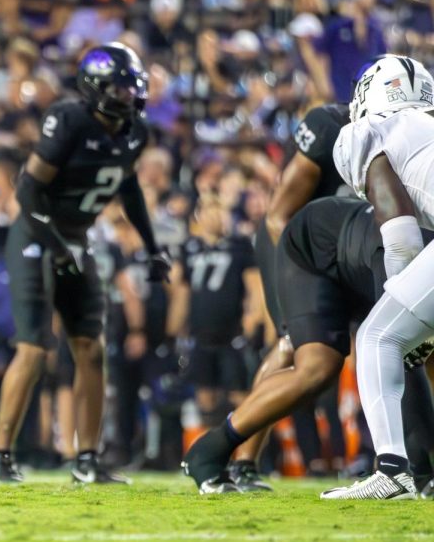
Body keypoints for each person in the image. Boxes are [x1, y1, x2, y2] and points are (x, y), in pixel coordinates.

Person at [0, 43, 169, 484]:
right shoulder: (68, 119)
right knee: (33, 348)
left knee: (90, 348)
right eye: (119, 89)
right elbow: (28, 192)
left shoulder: (134, 133)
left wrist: (151, 244)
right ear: (95, 88)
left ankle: (87, 457)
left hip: (75, 240)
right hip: (34, 237)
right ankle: (0, 456)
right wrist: (55, 244)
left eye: (132, 88)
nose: (128, 97)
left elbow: (129, 190)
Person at [183, 196, 434, 496]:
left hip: (358, 258)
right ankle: (213, 450)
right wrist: (423, 472)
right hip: (313, 249)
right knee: (317, 367)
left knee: (413, 347)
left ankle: (416, 472)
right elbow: (401, 354)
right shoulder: (407, 253)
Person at [322, 54, 434, 499]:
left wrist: (415, 335)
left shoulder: (370, 132)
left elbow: (402, 238)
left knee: (376, 338)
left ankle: (392, 471)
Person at [230, 100, 350, 490]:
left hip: (336, 252)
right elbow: (278, 215)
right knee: (288, 345)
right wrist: (304, 272)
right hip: (293, 244)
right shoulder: (328, 126)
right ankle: (241, 458)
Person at [179, 196, 262, 433]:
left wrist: (253, 317)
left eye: (220, 211)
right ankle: (207, 454)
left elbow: (254, 285)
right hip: (199, 332)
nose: (215, 216)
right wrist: (175, 327)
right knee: (204, 395)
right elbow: (182, 291)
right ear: (199, 216)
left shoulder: (240, 245)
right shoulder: (189, 248)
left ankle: (243, 456)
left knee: (239, 394)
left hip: (231, 333)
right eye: (209, 211)